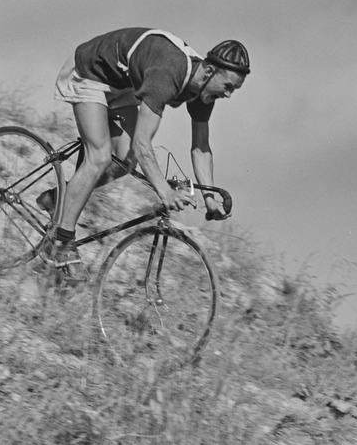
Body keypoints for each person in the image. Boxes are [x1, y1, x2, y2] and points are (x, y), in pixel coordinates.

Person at [38, 28, 250, 280]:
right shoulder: (168, 73)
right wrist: (165, 190)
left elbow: (201, 147)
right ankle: (60, 245)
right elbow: (142, 143)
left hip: (122, 84)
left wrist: (209, 196)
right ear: (209, 70)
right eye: (227, 87)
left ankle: (57, 199)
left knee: (125, 161)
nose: (227, 95)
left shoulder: (203, 90)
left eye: (233, 91)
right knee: (100, 157)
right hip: (89, 71)